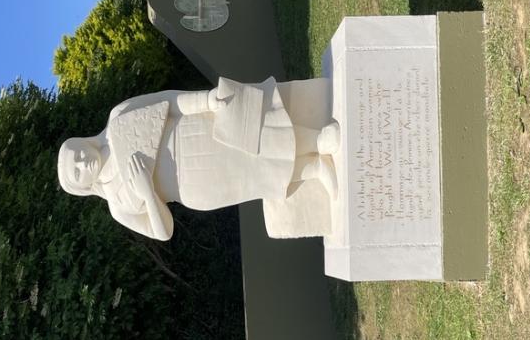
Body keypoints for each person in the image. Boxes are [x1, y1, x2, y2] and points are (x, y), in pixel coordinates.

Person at [58, 77, 339, 240]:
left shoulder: (118, 118)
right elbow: (163, 231)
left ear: (82, 142)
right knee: (255, 173)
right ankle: (314, 167)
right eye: (78, 172)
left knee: (257, 135)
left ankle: (318, 140)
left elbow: (167, 102)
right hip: (197, 186)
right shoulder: (119, 207)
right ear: (84, 187)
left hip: (195, 133)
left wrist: (205, 101)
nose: (83, 162)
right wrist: (147, 194)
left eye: (78, 155)